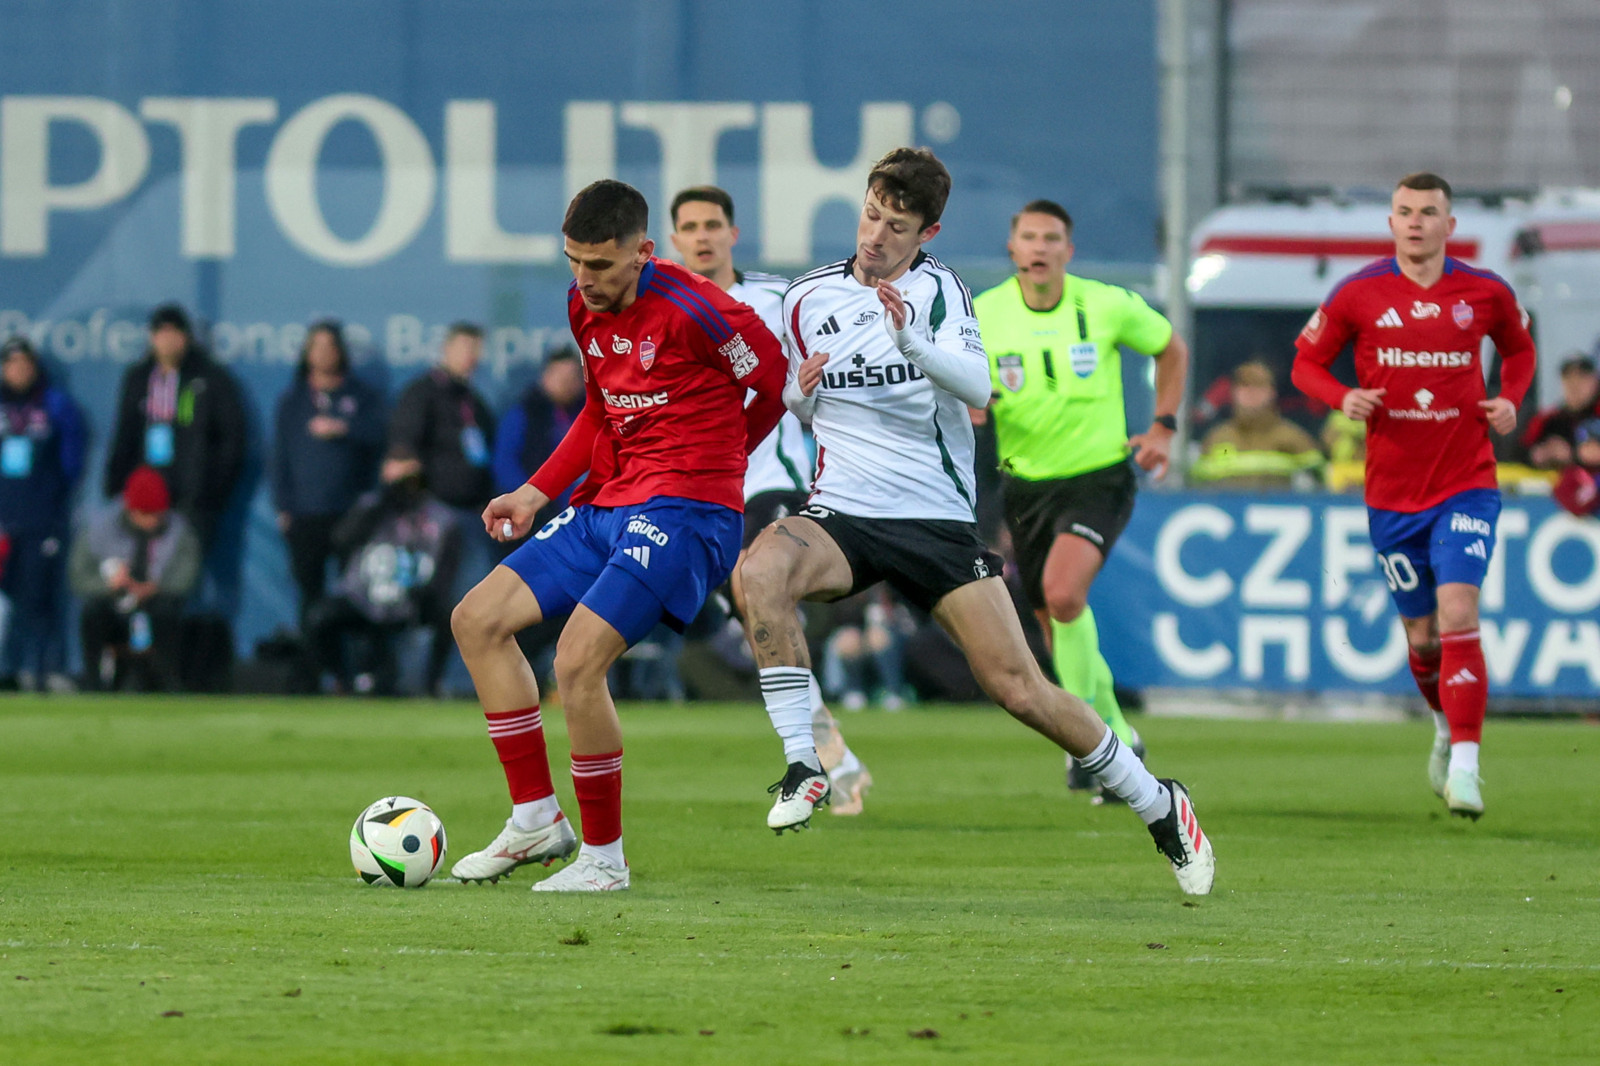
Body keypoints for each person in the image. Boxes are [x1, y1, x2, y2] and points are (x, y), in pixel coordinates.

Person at [734, 148, 1213, 894]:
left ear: (928, 231)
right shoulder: (809, 297)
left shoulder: (940, 293)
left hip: (934, 520)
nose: (876, 237)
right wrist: (799, 397)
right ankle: (804, 762)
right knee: (760, 569)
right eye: (870, 215)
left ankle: (1159, 802)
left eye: (897, 226)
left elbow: (977, 385)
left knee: (1021, 689)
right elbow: (804, 403)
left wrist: (911, 343)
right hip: (846, 512)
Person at [448, 179, 786, 892]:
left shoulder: (702, 310)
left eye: (599, 265)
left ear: (644, 253)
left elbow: (775, 379)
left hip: (685, 512)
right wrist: (537, 492)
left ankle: (604, 859)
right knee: (476, 620)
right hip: (611, 502)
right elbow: (601, 411)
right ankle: (536, 819)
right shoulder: (584, 306)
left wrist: (725, 464)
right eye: (573, 261)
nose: (583, 279)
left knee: (575, 664)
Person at [1291, 171, 1536, 820]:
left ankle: (1467, 767)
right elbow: (1305, 364)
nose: (1417, 222)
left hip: (1467, 484)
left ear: (1450, 226)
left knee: (1458, 612)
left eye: (1430, 212)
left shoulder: (1483, 292)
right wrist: (1340, 395)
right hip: (1393, 495)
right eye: (1405, 212)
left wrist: (1510, 397)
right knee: (1423, 637)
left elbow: (1519, 349)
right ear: (1392, 223)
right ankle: (1441, 725)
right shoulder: (1359, 294)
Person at [973, 199, 1190, 798]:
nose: (1039, 248)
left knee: (1065, 596)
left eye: (1051, 238)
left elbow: (1171, 349)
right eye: (1029, 238)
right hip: (1023, 483)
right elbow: (960, 386)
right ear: (1012, 249)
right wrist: (970, 402)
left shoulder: (1105, 304)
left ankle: (1096, 745)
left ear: (1069, 251)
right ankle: (1117, 736)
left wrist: (1164, 427)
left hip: (1098, 476)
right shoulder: (983, 315)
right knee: (1048, 617)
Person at [669, 184, 874, 816]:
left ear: (733, 234)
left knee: (754, 588)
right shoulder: (663, 308)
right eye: (690, 226)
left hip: (771, 475)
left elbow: (823, 366)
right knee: (745, 609)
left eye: (713, 224)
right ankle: (828, 744)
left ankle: (825, 747)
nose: (702, 236)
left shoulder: (775, 298)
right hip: (702, 487)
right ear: (674, 240)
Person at [388, 322, 497, 690]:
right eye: (465, 348)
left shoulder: (473, 401)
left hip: (472, 517)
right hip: (434, 515)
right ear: (445, 350)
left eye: (476, 350)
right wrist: (418, 504)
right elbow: (402, 456)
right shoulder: (422, 394)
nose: (472, 357)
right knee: (428, 603)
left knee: (471, 604)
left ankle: (460, 683)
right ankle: (417, 683)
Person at [304, 450, 460, 696]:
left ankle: (433, 684)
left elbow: (444, 571)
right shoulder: (371, 507)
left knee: (451, 616)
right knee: (319, 617)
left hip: (412, 597)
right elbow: (341, 540)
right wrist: (383, 500)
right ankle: (339, 681)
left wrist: (423, 593)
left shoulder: (440, 518)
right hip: (364, 597)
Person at [104, 304, 245, 551]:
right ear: (151, 338)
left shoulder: (209, 379)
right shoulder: (138, 378)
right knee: (139, 566)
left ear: (186, 338)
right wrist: (116, 484)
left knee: (180, 574)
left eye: (174, 333)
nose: (167, 341)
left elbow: (231, 438)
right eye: (161, 333)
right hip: (144, 493)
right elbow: (125, 433)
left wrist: (210, 489)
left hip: (191, 496)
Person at [271, 321, 385, 625]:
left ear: (341, 351)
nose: (323, 354)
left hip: (351, 513)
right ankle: (316, 669)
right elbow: (280, 457)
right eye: (316, 347)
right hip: (306, 514)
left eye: (330, 346)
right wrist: (283, 506)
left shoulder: (361, 396)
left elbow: (381, 436)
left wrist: (345, 428)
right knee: (309, 597)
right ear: (307, 353)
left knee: (356, 595)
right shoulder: (292, 402)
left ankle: (355, 669)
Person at [0, 337, 86, 691]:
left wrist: (48, 501)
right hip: (2, 519)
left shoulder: (55, 405)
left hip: (40, 520)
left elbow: (71, 461)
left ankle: (44, 668)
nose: (19, 370)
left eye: (25, 363)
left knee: (39, 598)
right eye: (12, 363)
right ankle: (8, 669)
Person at [69, 466, 201, 692]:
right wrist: (110, 585)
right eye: (145, 514)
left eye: (156, 514)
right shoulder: (100, 529)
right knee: (92, 614)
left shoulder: (178, 531)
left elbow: (187, 575)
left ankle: (169, 684)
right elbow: (78, 576)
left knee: (167, 614)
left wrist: (155, 587)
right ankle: (94, 684)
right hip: (113, 600)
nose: (151, 521)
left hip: (156, 600)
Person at [1190, 361, 1324, 489]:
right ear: (1233, 393)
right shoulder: (1216, 439)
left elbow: (1322, 483)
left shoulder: (1294, 438)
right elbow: (1196, 486)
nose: (1251, 393)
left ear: (1272, 393)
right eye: (1244, 387)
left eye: (1259, 387)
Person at [491, 346, 588, 523]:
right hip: (539, 516)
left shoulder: (590, 415)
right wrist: (532, 502)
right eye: (560, 376)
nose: (566, 383)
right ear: (545, 377)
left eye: (572, 377)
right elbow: (505, 463)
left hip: (585, 515)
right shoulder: (524, 413)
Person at [1520, 354, 1600, 469]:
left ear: (1595, 382)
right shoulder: (1549, 419)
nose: (1574, 385)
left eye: (1582, 378)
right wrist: (1539, 453)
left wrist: (1574, 454)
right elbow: (1520, 450)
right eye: (1568, 378)